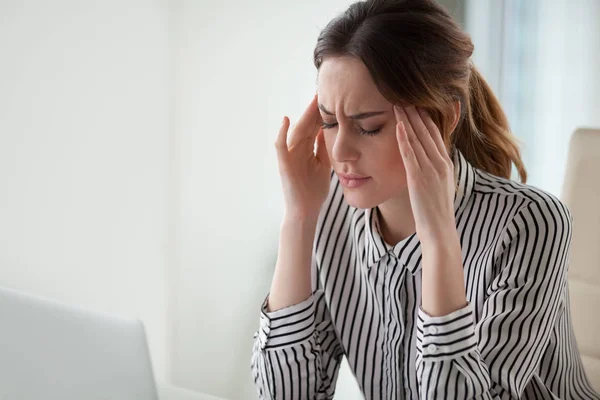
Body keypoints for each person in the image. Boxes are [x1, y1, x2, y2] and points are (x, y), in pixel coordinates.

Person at [250, 0, 600, 398]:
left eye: (369, 128)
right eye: (329, 122)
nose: (340, 151)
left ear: (444, 119)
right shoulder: (329, 210)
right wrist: (298, 218)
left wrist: (437, 238)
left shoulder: (530, 223)